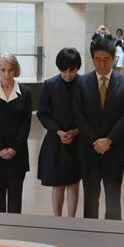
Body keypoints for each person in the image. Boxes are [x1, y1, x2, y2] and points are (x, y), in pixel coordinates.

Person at [74, 38, 124, 220]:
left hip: (115, 150)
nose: (101, 63)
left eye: (106, 59)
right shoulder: (81, 82)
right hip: (89, 150)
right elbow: (78, 114)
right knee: (91, 197)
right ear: (92, 59)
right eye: (97, 59)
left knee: (113, 196)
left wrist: (108, 140)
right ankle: (90, 234)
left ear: (113, 59)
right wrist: (95, 140)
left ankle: (112, 235)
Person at [0, 53, 32, 213]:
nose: (7, 74)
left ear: (16, 70)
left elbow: (26, 123)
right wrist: (0, 149)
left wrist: (14, 148)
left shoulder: (25, 92)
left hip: (18, 154)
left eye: (10, 70)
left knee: (16, 199)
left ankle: (15, 234)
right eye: (3, 70)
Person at [37, 48, 82, 217]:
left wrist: (76, 131)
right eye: (64, 71)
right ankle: (57, 219)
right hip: (56, 140)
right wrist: (58, 130)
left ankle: (71, 220)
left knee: (74, 183)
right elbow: (42, 113)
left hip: (77, 139)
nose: (68, 75)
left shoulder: (84, 84)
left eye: (72, 71)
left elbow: (88, 113)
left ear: (77, 68)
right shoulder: (50, 85)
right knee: (58, 183)